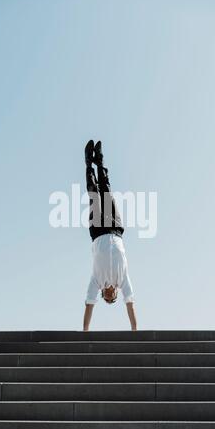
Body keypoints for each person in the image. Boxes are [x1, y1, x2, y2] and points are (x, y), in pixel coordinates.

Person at [83, 140, 137, 331]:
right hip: (115, 228)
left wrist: (85, 332)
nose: (108, 295)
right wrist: (135, 330)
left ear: (102, 295)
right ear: (116, 294)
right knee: (107, 191)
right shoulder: (123, 280)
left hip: (98, 231)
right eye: (111, 297)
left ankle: (89, 162)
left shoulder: (96, 281)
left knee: (94, 193)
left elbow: (89, 304)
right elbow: (130, 303)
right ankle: (100, 160)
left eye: (105, 297)